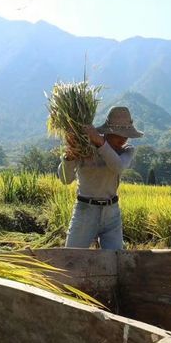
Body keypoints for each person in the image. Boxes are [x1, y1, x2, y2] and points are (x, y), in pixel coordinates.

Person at [57, 106, 142, 250]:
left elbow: (117, 166)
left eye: (125, 135)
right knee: (73, 258)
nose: (123, 139)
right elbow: (65, 179)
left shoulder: (127, 151)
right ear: (108, 132)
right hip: (85, 211)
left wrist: (100, 142)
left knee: (115, 261)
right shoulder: (85, 148)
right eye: (119, 135)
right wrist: (69, 156)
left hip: (112, 213)